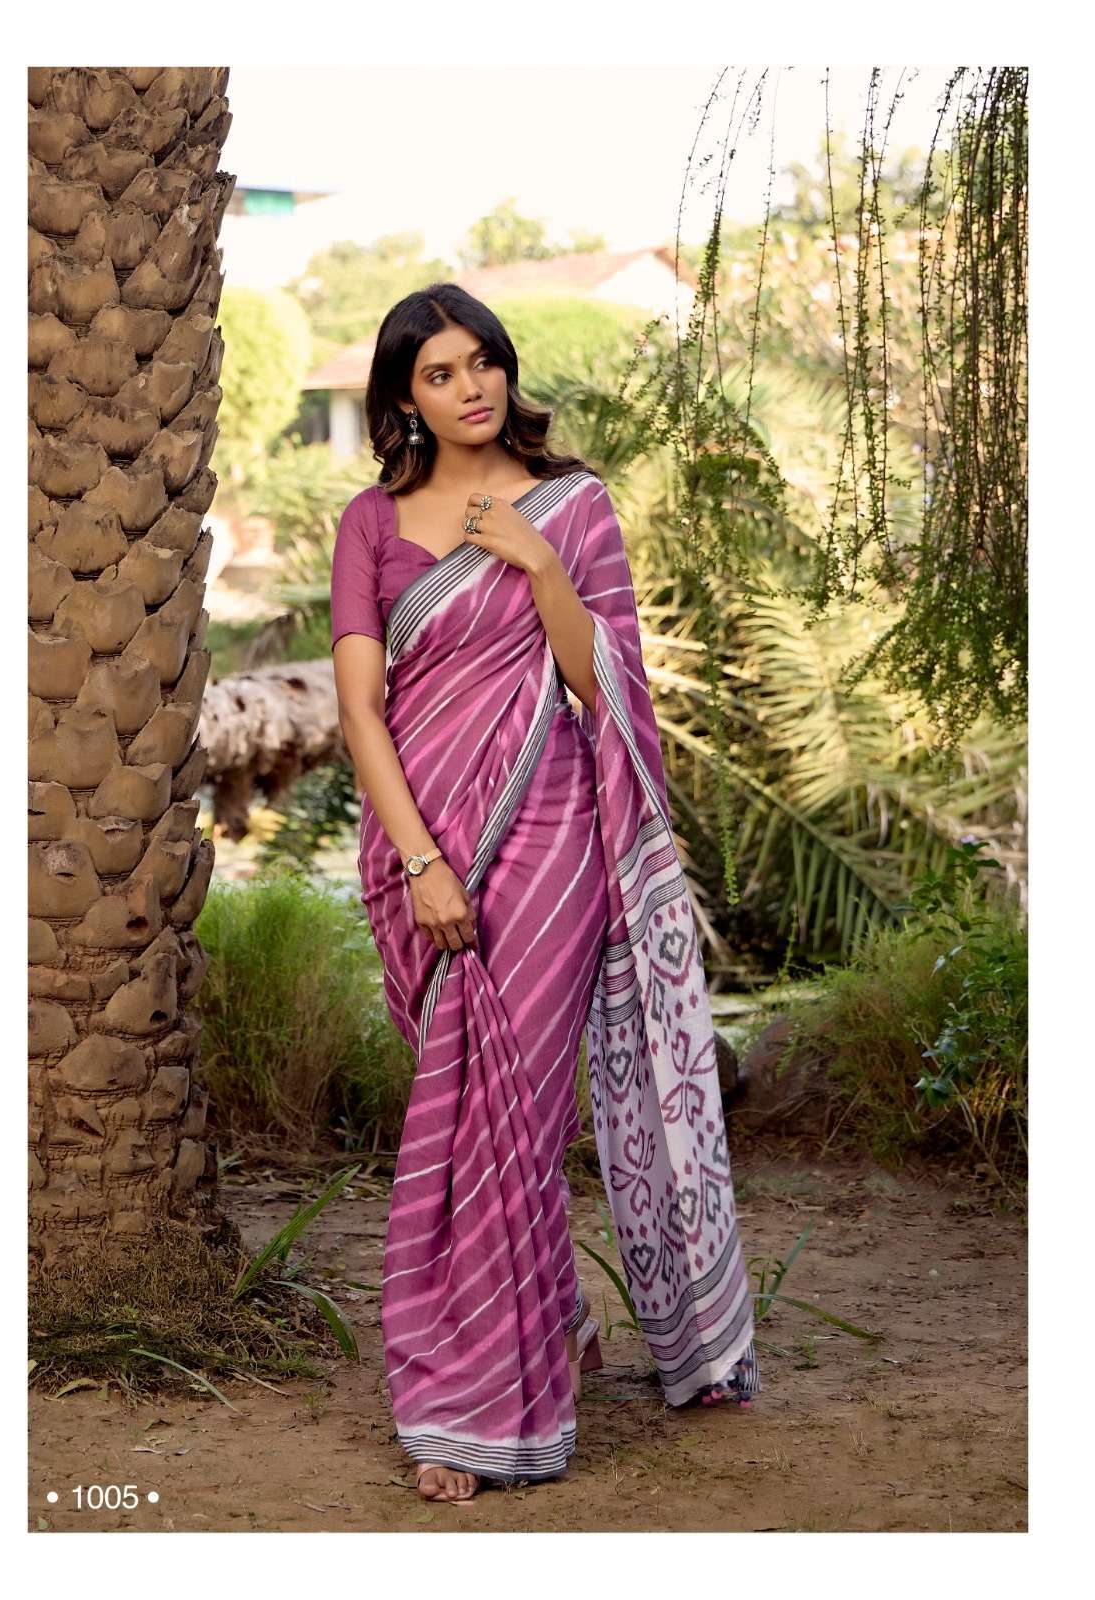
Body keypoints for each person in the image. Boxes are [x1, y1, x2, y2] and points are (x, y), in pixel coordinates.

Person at [330, 283, 760, 1504]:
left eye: (484, 362)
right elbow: (362, 710)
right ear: (404, 397)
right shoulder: (371, 523)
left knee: (514, 1107)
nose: (470, 388)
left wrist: (539, 565)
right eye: (439, 373)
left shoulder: (573, 506)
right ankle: (552, 1320)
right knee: (457, 1100)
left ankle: (476, 1407)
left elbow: (598, 679)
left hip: (551, 828)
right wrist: (423, 861)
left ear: (507, 369)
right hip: (419, 843)